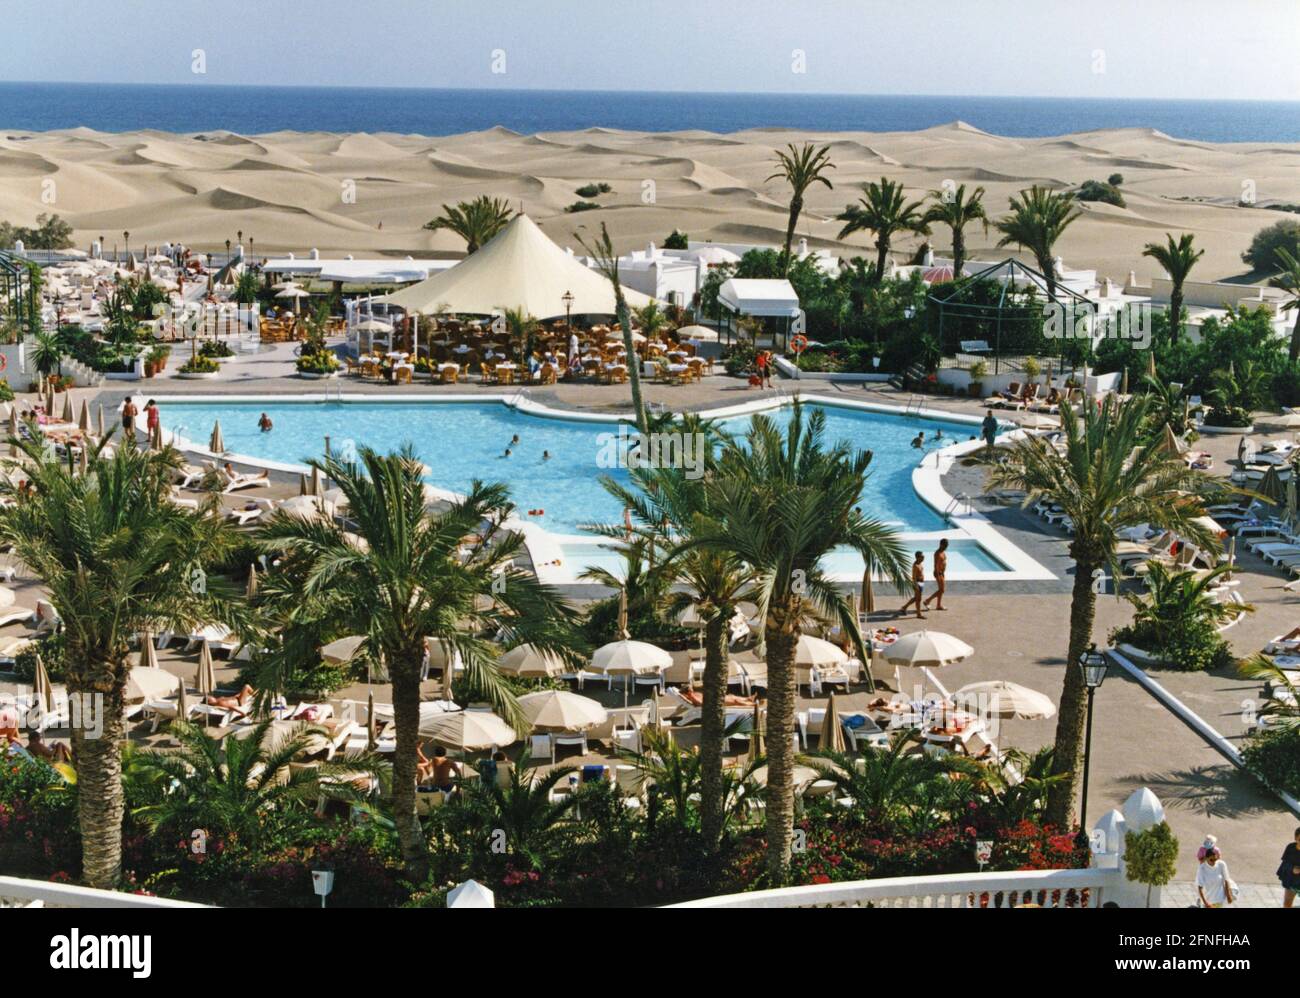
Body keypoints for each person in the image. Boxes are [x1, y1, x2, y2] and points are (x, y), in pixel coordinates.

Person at [1195, 836, 1235, 907]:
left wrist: (1228, 895)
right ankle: (1199, 900)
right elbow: (1200, 888)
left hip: (1219, 899)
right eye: (1211, 860)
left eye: (1215, 859)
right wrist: (1206, 903)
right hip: (1208, 901)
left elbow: (1226, 880)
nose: (1214, 862)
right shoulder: (1202, 868)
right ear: (1206, 858)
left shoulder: (1221, 864)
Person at [923, 538, 949, 612]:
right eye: (945, 546)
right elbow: (936, 565)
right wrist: (938, 574)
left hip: (942, 572)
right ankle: (927, 601)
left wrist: (943, 572)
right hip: (938, 573)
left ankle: (938, 605)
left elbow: (943, 562)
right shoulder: (937, 553)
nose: (946, 547)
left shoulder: (943, 552)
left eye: (947, 546)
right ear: (941, 544)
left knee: (941, 589)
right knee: (942, 590)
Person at [900, 551, 926, 619]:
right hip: (917, 583)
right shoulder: (915, 566)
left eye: (923, 556)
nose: (923, 558)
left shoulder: (920, 564)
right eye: (922, 557)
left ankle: (904, 607)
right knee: (918, 599)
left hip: (921, 583)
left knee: (916, 598)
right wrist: (916, 585)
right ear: (917, 557)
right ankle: (919, 614)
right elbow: (913, 577)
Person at [1278, 827, 1300, 908]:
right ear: (1295, 838)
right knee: (1287, 904)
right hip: (1292, 881)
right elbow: (1284, 864)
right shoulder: (1291, 847)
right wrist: (1292, 869)